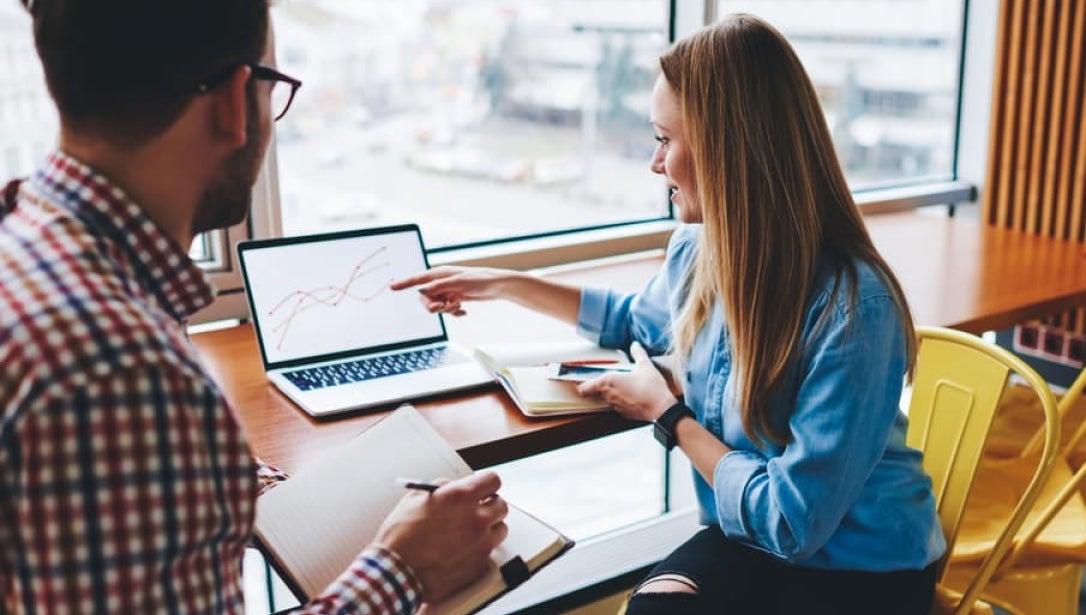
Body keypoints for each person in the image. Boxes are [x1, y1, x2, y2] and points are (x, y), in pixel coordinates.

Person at [391, 13, 944, 615]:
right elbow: (639, 321)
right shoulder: (700, 252)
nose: (656, 164)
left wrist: (669, 415)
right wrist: (506, 285)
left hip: (863, 567)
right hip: (752, 538)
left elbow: (791, 524)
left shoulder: (854, 310)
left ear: (728, 151)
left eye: (664, 139)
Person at [0, 1, 507, 613]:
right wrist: (404, 568)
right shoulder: (122, 371)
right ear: (235, 103)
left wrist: (227, 478)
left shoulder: (29, 248)